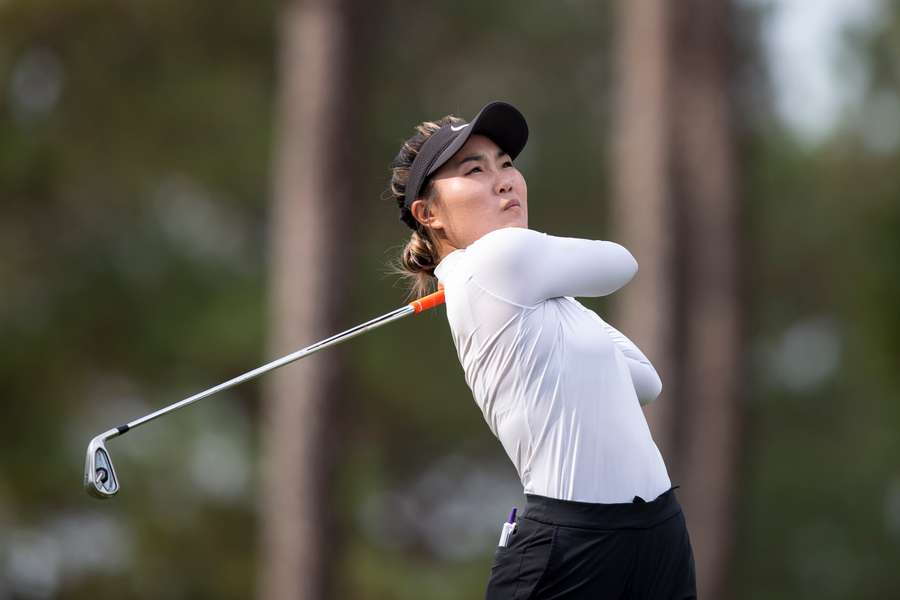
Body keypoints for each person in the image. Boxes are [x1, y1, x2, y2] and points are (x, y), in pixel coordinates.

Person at [388, 101, 697, 599]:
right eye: (474, 170)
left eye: (506, 164)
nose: (504, 180)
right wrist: (552, 280)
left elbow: (646, 381)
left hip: (658, 532)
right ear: (429, 215)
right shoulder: (497, 258)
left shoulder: (529, 287)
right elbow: (621, 262)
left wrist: (553, 287)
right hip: (572, 547)